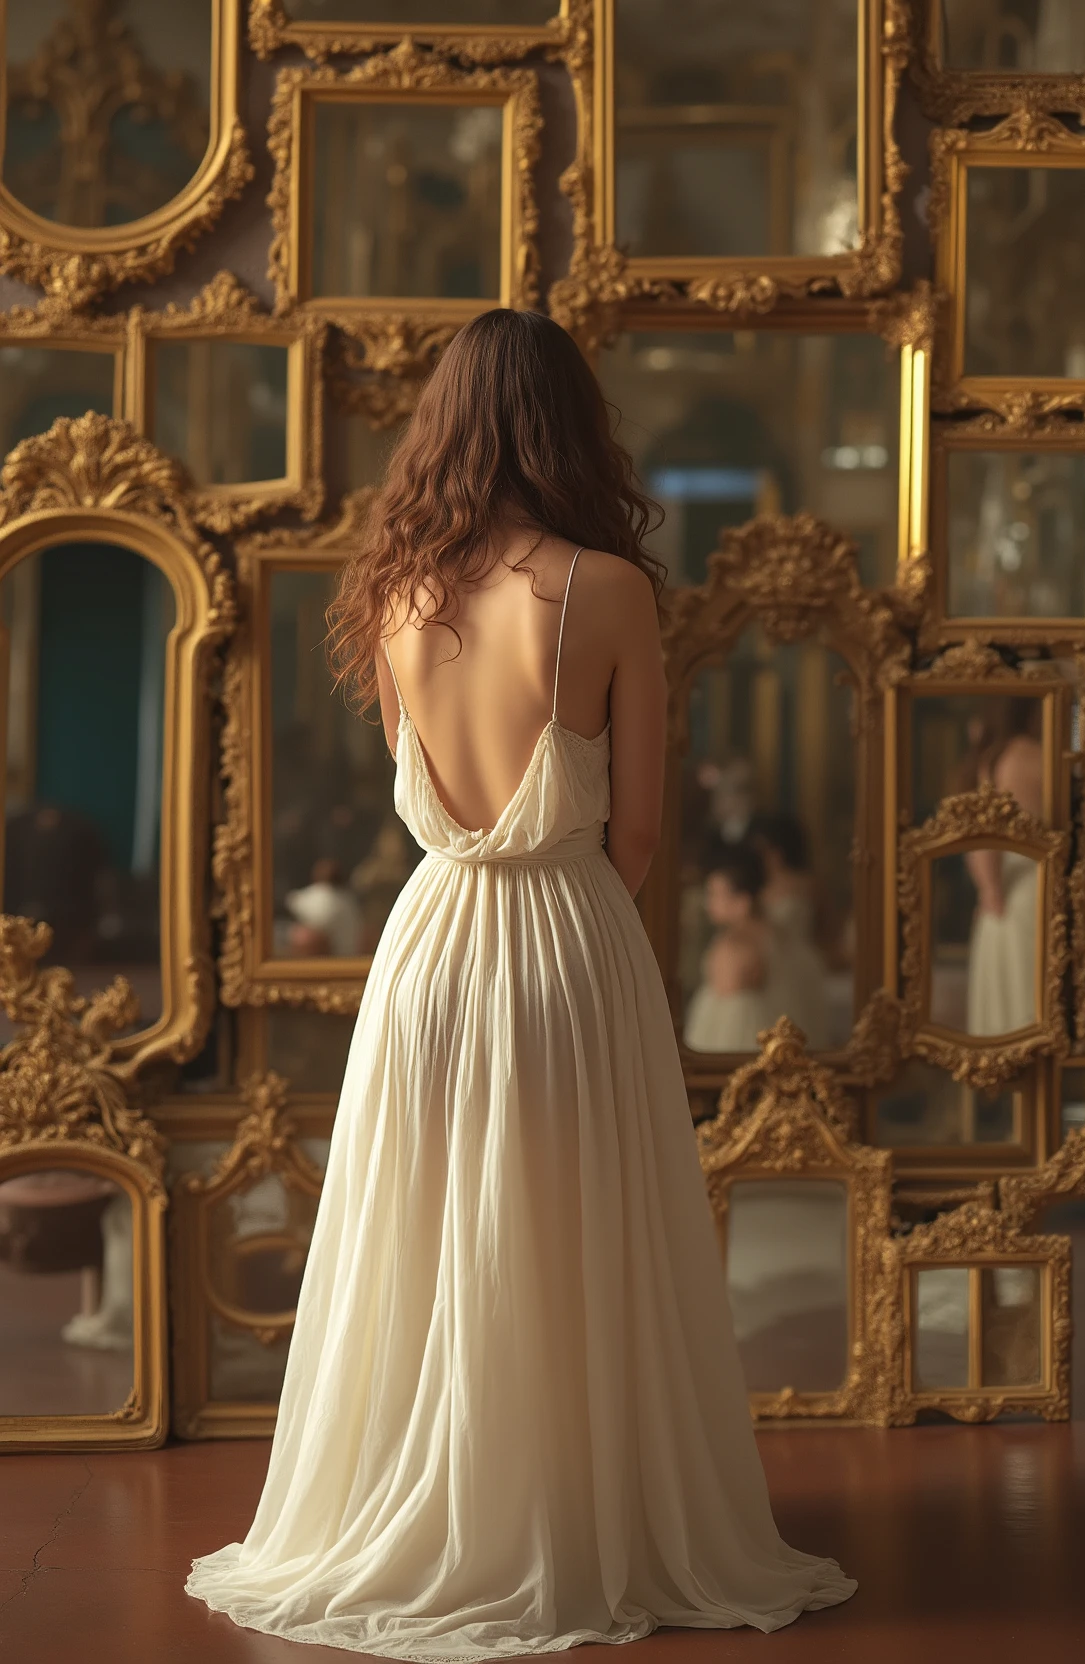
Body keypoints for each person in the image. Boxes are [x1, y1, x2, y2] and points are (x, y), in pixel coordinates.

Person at [186, 309, 855, 1654]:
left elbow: (421, 798)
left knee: (433, 1240)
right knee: (564, 1240)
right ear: (568, 428)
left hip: (430, 950)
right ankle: (562, 1517)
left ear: (441, 433)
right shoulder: (603, 589)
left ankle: (435, 1507)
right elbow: (646, 833)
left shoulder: (397, 596)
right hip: (562, 937)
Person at [963, 699, 1043, 1037]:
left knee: (1009, 1003)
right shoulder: (1032, 754)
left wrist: (988, 887)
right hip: (1029, 888)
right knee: (1028, 1003)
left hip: (1005, 891)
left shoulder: (992, 758)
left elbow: (980, 839)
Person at [749, 813, 830, 1050]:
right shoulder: (755, 886)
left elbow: (826, 928)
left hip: (802, 964)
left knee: (804, 1027)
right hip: (767, 963)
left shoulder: (808, 884)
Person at [682, 840, 772, 1054]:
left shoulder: (735, 946)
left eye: (715, 894)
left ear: (742, 901)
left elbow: (731, 1011)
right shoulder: (766, 932)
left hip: (729, 1036)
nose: (708, 903)